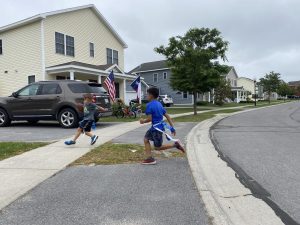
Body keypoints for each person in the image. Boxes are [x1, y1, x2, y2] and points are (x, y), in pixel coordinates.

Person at [140, 87, 185, 165]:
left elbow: (150, 119)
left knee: (157, 147)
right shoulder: (159, 104)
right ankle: (149, 158)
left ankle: (175, 145)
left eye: (147, 94)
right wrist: (172, 127)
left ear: (151, 95)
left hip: (157, 129)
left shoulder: (149, 105)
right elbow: (167, 116)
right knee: (146, 139)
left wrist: (143, 121)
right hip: (156, 127)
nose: (146, 96)